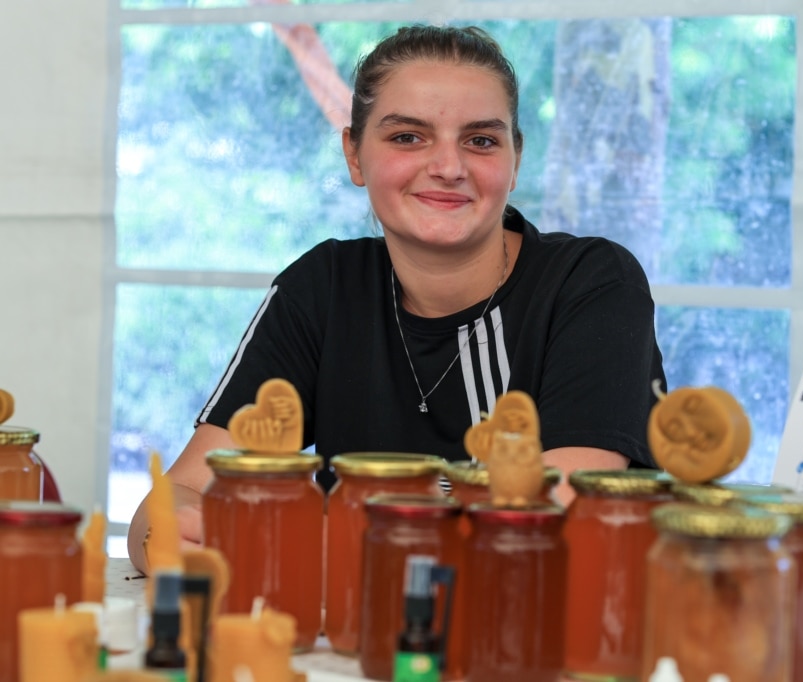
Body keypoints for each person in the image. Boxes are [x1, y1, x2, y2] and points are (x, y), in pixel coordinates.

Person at [127, 24, 665, 572]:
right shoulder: (322, 288)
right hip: (354, 638)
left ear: (514, 160)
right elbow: (178, 495)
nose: (448, 167)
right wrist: (179, 536)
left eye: (480, 140)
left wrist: (304, 542)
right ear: (354, 156)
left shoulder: (593, 282)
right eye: (408, 136)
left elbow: (552, 528)